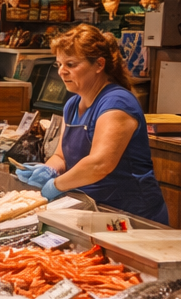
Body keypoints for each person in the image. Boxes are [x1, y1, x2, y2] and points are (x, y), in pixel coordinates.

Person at [17, 24, 169, 223]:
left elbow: (99, 164)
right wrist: (48, 170)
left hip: (130, 215)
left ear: (99, 65)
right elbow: (62, 156)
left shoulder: (117, 102)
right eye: (59, 64)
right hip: (91, 209)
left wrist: (56, 185)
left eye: (71, 64)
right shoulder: (72, 104)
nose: (62, 72)